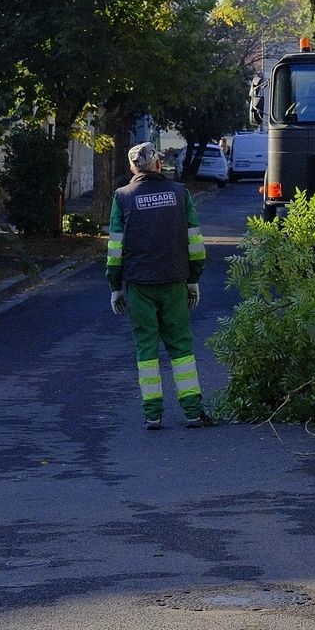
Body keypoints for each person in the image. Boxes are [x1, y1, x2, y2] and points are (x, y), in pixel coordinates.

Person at [108, 143, 212, 430]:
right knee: (181, 348)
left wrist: (115, 286)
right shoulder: (180, 194)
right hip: (175, 280)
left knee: (146, 350)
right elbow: (195, 243)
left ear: (132, 169)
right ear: (158, 165)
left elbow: (115, 247)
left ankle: (152, 414)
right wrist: (193, 278)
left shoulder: (123, 197)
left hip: (139, 284)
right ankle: (193, 412)